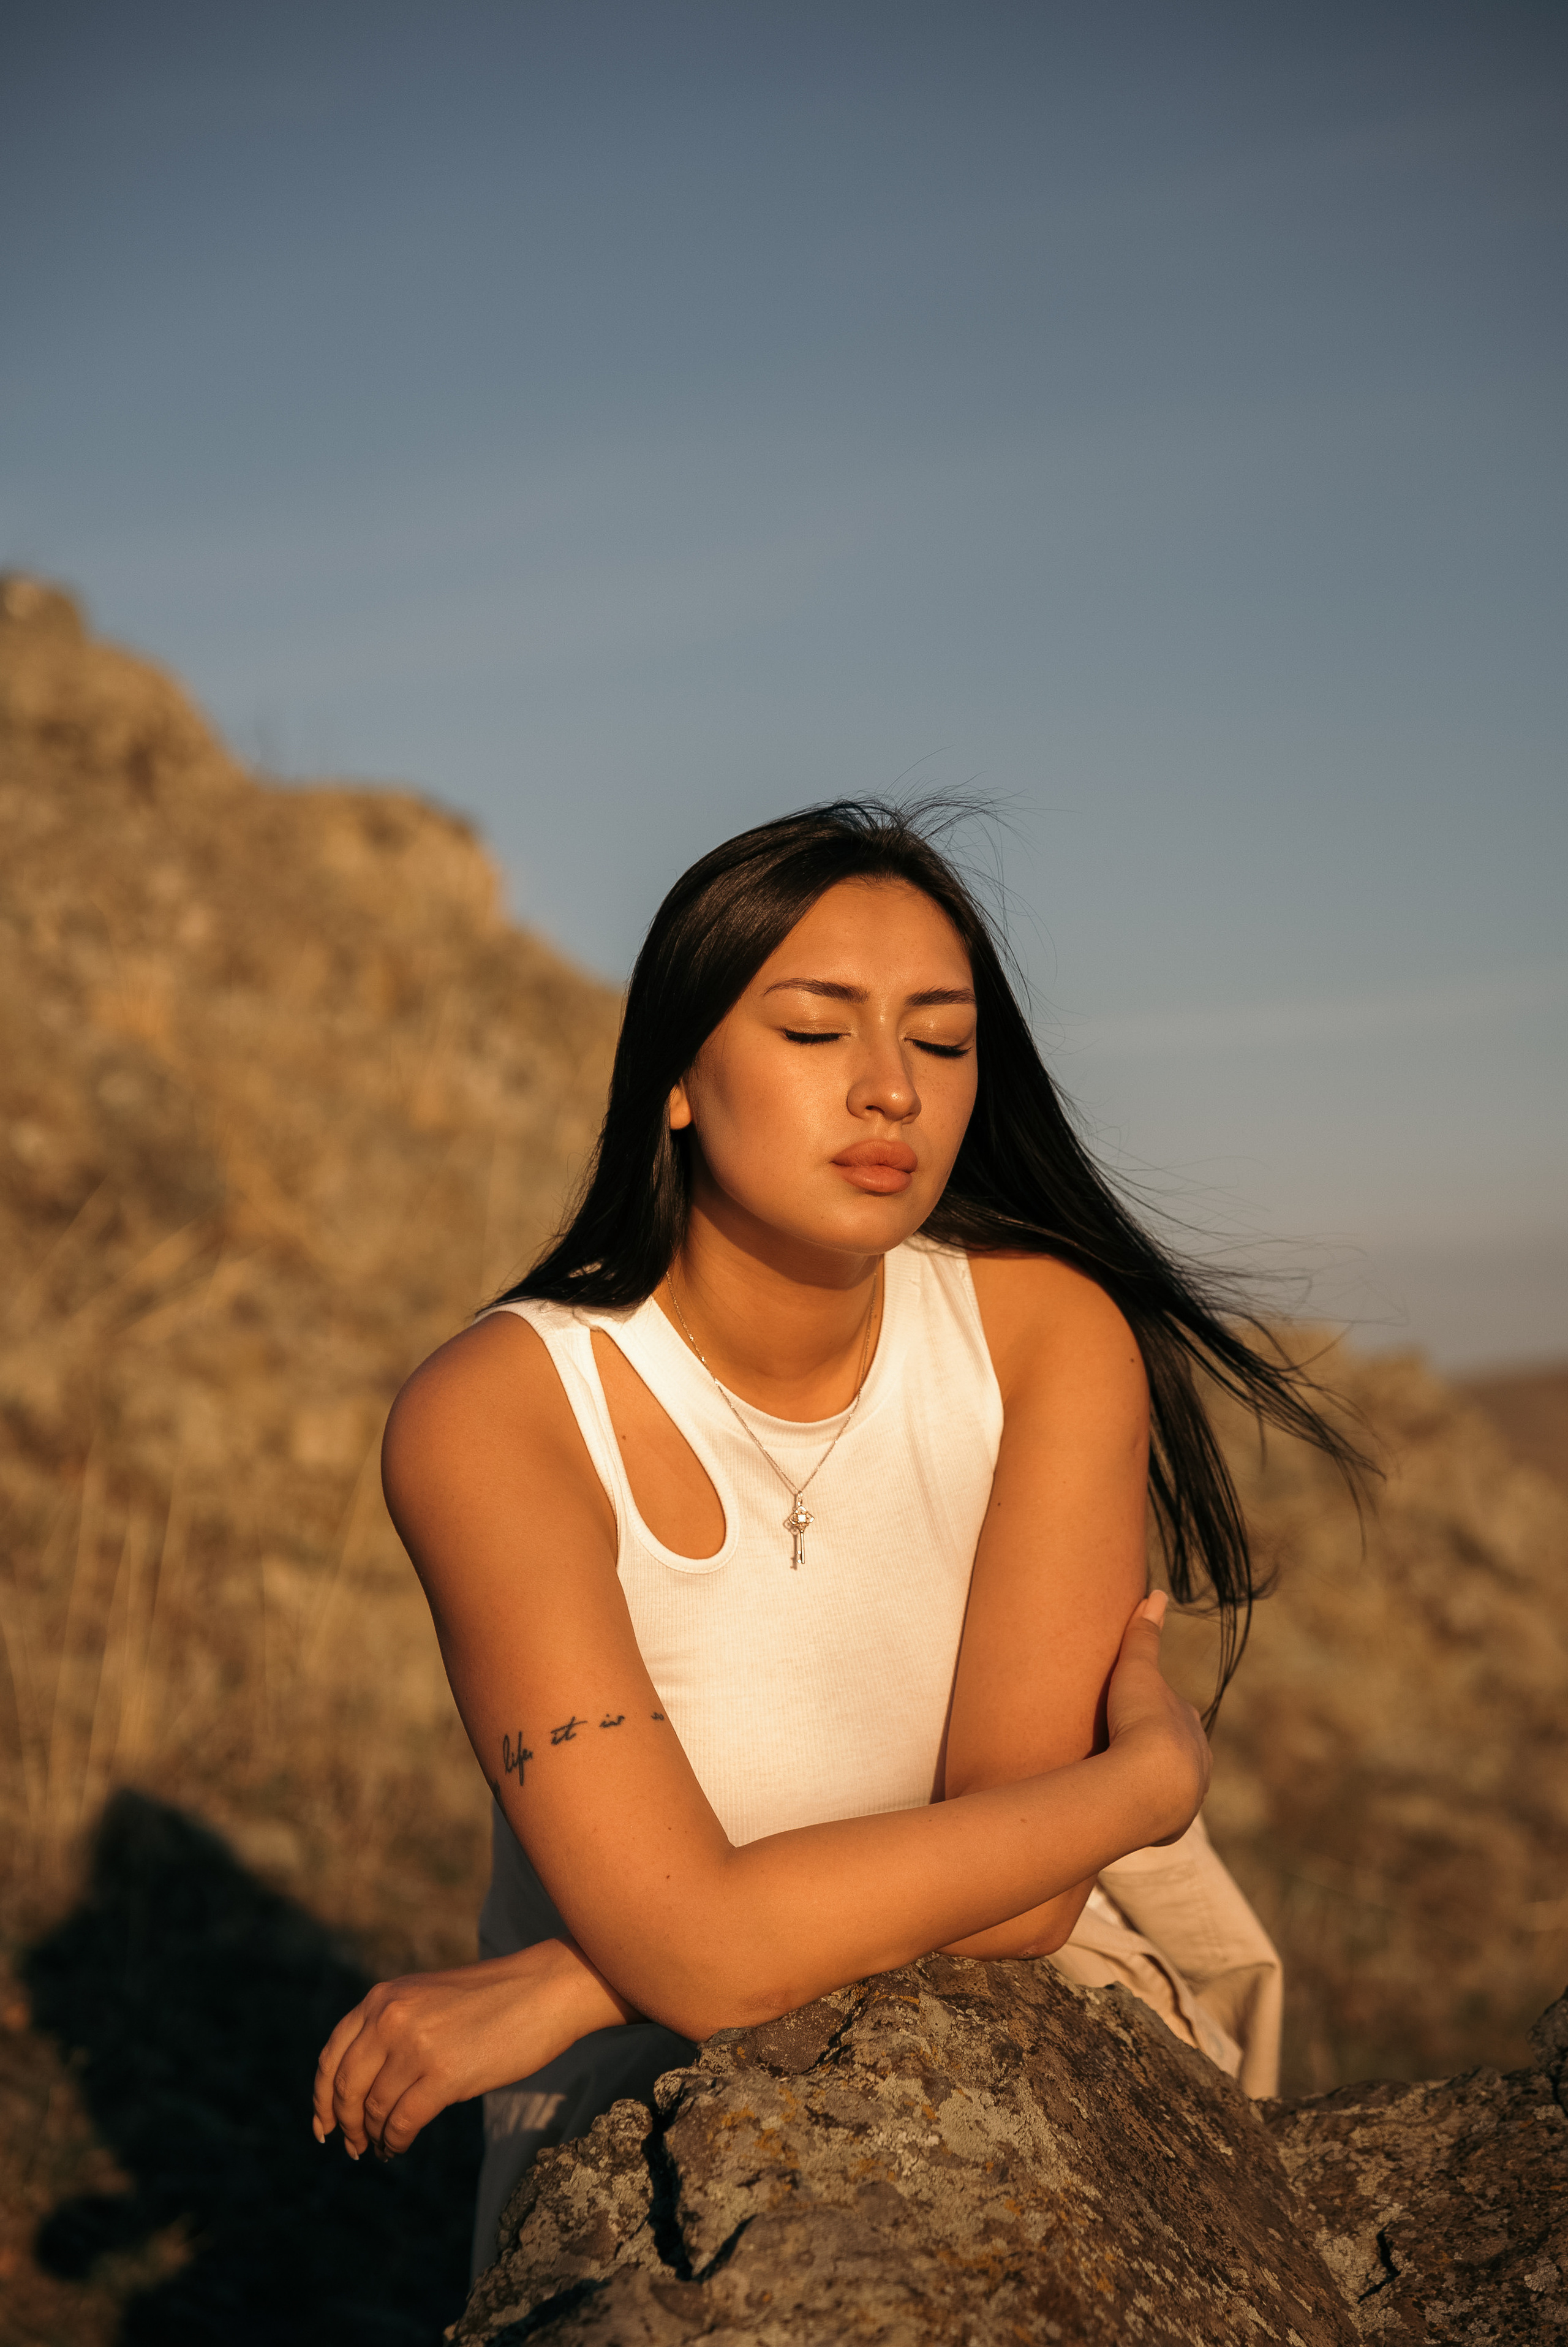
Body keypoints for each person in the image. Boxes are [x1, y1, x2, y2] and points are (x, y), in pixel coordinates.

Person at [312, 802, 1359, 2275]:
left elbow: (1030, 1891)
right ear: (675, 1075)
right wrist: (1142, 1781)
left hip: (1014, 2015)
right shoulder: (504, 1411)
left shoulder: (1042, 1335)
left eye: (937, 1043)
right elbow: (706, 1949)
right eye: (816, 1032)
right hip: (644, 2106)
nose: (888, 1091)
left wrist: (572, 1980)